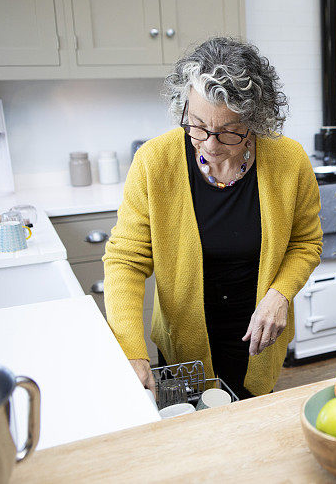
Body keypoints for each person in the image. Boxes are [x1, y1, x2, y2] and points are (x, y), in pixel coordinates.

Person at [103, 37, 323, 399]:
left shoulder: (289, 160)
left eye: (229, 132)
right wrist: (131, 349)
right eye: (197, 125)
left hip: (257, 338)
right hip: (183, 342)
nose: (209, 144)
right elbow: (125, 261)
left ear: (255, 121)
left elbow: (306, 242)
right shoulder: (154, 162)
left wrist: (280, 295)